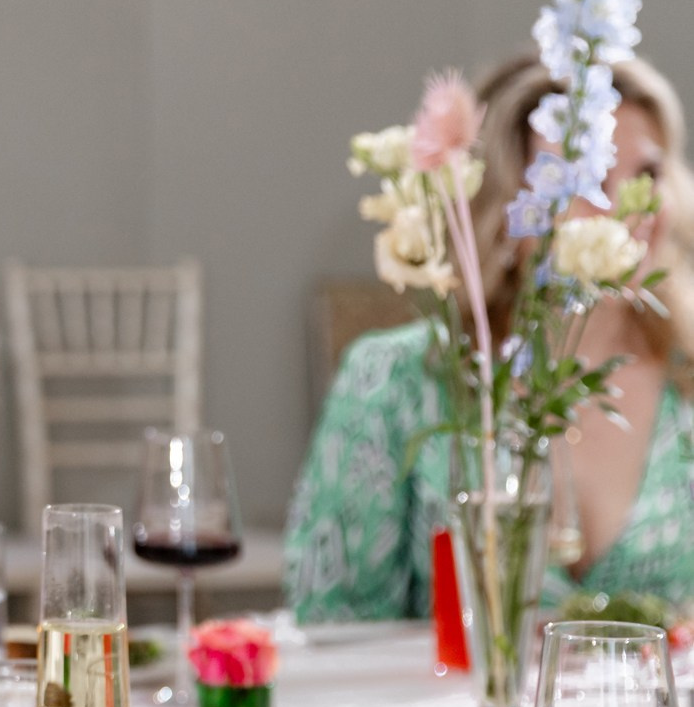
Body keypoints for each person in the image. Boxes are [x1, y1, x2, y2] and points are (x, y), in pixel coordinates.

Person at [287, 55, 694, 622]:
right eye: (591, 177)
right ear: (506, 210)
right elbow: (330, 625)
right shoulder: (396, 381)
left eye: (647, 174)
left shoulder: (688, 379)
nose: (634, 206)